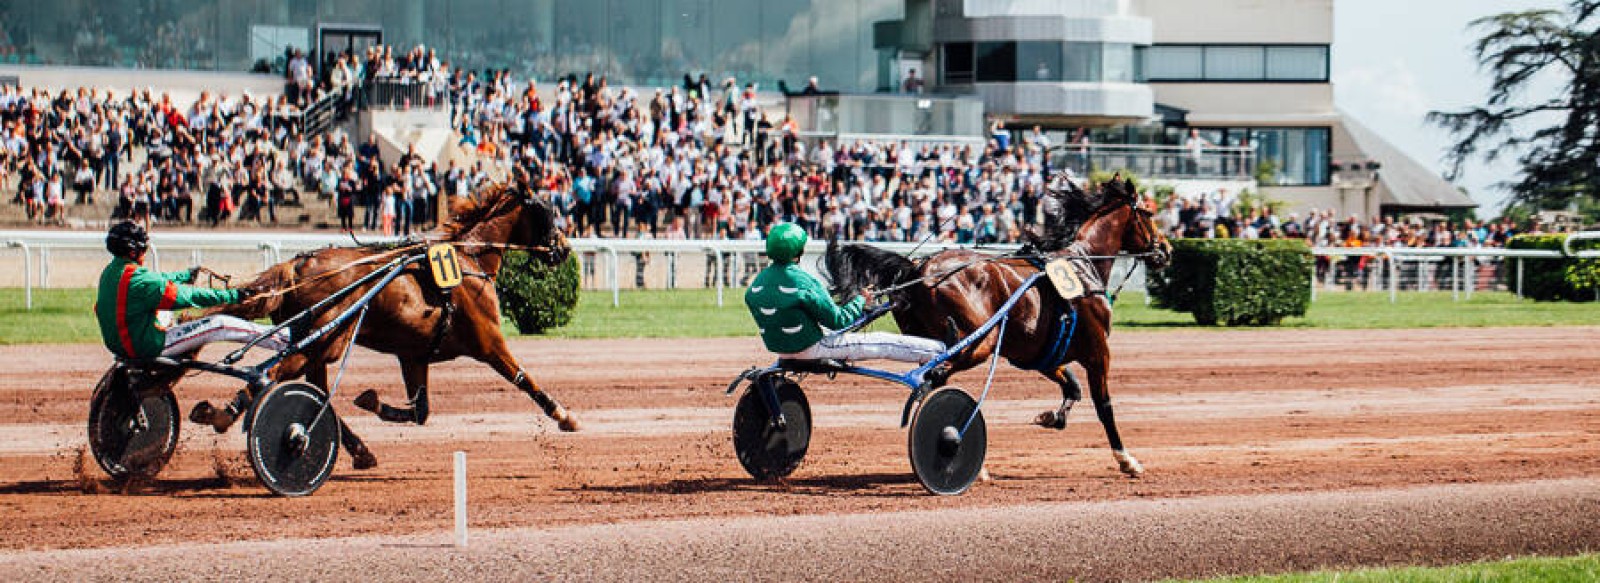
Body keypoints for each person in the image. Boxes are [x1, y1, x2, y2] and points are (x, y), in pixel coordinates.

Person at [744, 223, 949, 380]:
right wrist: (860, 300)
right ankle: (941, 351)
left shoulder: (757, 283)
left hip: (782, 350)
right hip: (812, 348)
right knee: (882, 341)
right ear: (798, 252)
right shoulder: (803, 281)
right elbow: (839, 321)